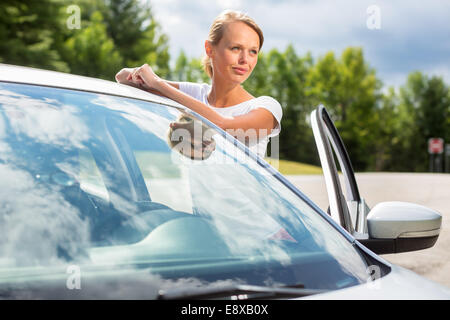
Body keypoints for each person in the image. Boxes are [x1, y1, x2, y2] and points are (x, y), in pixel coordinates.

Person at [115, 10, 282, 158]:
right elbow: (123, 77)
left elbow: (223, 125)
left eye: (253, 51)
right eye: (236, 48)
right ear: (210, 49)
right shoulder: (195, 94)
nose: (245, 60)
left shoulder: (266, 108)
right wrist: (151, 80)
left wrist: (158, 83)